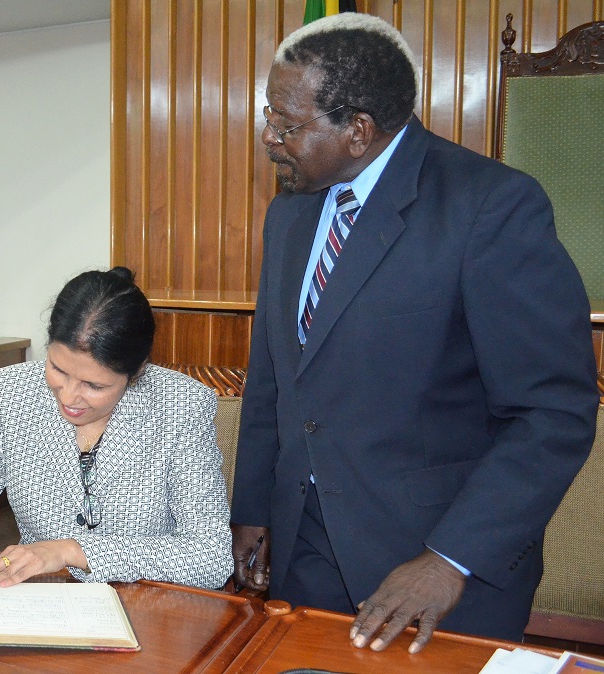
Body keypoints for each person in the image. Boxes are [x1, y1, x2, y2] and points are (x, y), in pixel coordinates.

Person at [230, 12, 598, 653]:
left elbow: (551, 412)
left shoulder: (490, 208)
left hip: (433, 570)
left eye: (288, 125)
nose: (268, 138)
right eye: (270, 116)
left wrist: (449, 559)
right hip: (306, 552)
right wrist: (254, 507)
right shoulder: (288, 212)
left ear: (358, 131)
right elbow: (274, 375)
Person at [0, 267, 233, 589]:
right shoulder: (12, 391)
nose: (69, 396)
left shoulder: (181, 406)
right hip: (42, 602)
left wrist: (72, 551)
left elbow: (210, 556)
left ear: (135, 373)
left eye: (94, 385)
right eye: (58, 370)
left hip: (148, 613)